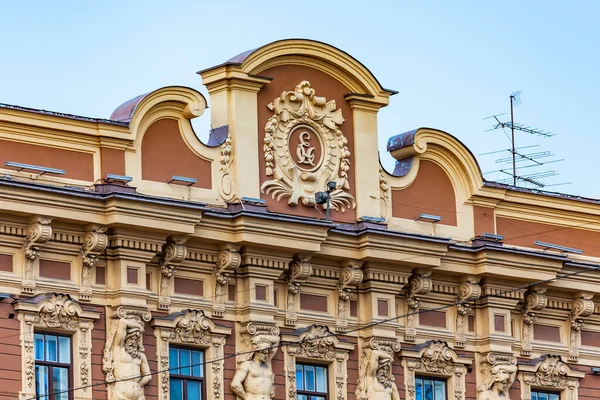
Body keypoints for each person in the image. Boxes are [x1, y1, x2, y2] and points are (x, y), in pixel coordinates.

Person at [106, 318, 152, 400]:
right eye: (131, 338)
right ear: (126, 339)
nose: (133, 342)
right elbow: (122, 322)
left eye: (135, 339)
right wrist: (138, 326)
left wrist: (139, 385)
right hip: (120, 394)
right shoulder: (119, 349)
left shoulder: (140, 356)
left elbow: (148, 376)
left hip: (138, 396)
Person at [231, 335, 280, 400]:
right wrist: (246, 397)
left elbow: (277, 339)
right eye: (264, 353)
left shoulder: (267, 364)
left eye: (267, 353)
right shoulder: (247, 365)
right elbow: (235, 384)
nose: (266, 356)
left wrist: (261, 337)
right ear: (257, 352)